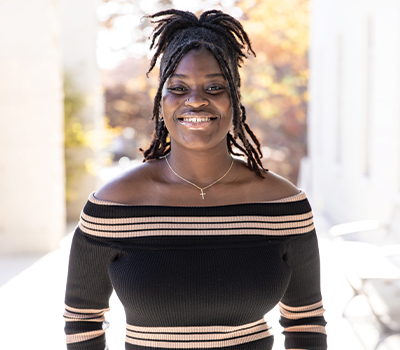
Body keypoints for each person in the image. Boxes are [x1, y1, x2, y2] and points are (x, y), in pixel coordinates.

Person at [63, 9, 327, 350]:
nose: (196, 100)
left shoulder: (282, 205)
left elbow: (305, 322)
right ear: (162, 102)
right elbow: (82, 321)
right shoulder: (113, 206)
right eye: (178, 87)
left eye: (214, 86)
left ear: (234, 99)